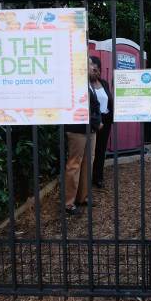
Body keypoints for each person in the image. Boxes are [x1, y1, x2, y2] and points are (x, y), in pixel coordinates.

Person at [64, 60, 102, 215]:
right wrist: (96, 122)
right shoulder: (75, 84)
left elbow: (95, 106)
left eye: (93, 65)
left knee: (88, 163)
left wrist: (96, 122)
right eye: (90, 64)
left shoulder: (89, 83)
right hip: (77, 129)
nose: (94, 67)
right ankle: (68, 203)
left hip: (90, 130)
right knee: (74, 165)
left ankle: (83, 197)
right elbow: (83, 107)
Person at [89, 56, 114, 189]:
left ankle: (98, 177)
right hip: (92, 121)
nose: (96, 72)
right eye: (93, 69)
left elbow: (109, 99)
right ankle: (87, 178)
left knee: (101, 150)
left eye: (98, 69)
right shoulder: (86, 84)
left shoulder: (104, 83)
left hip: (106, 120)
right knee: (90, 151)